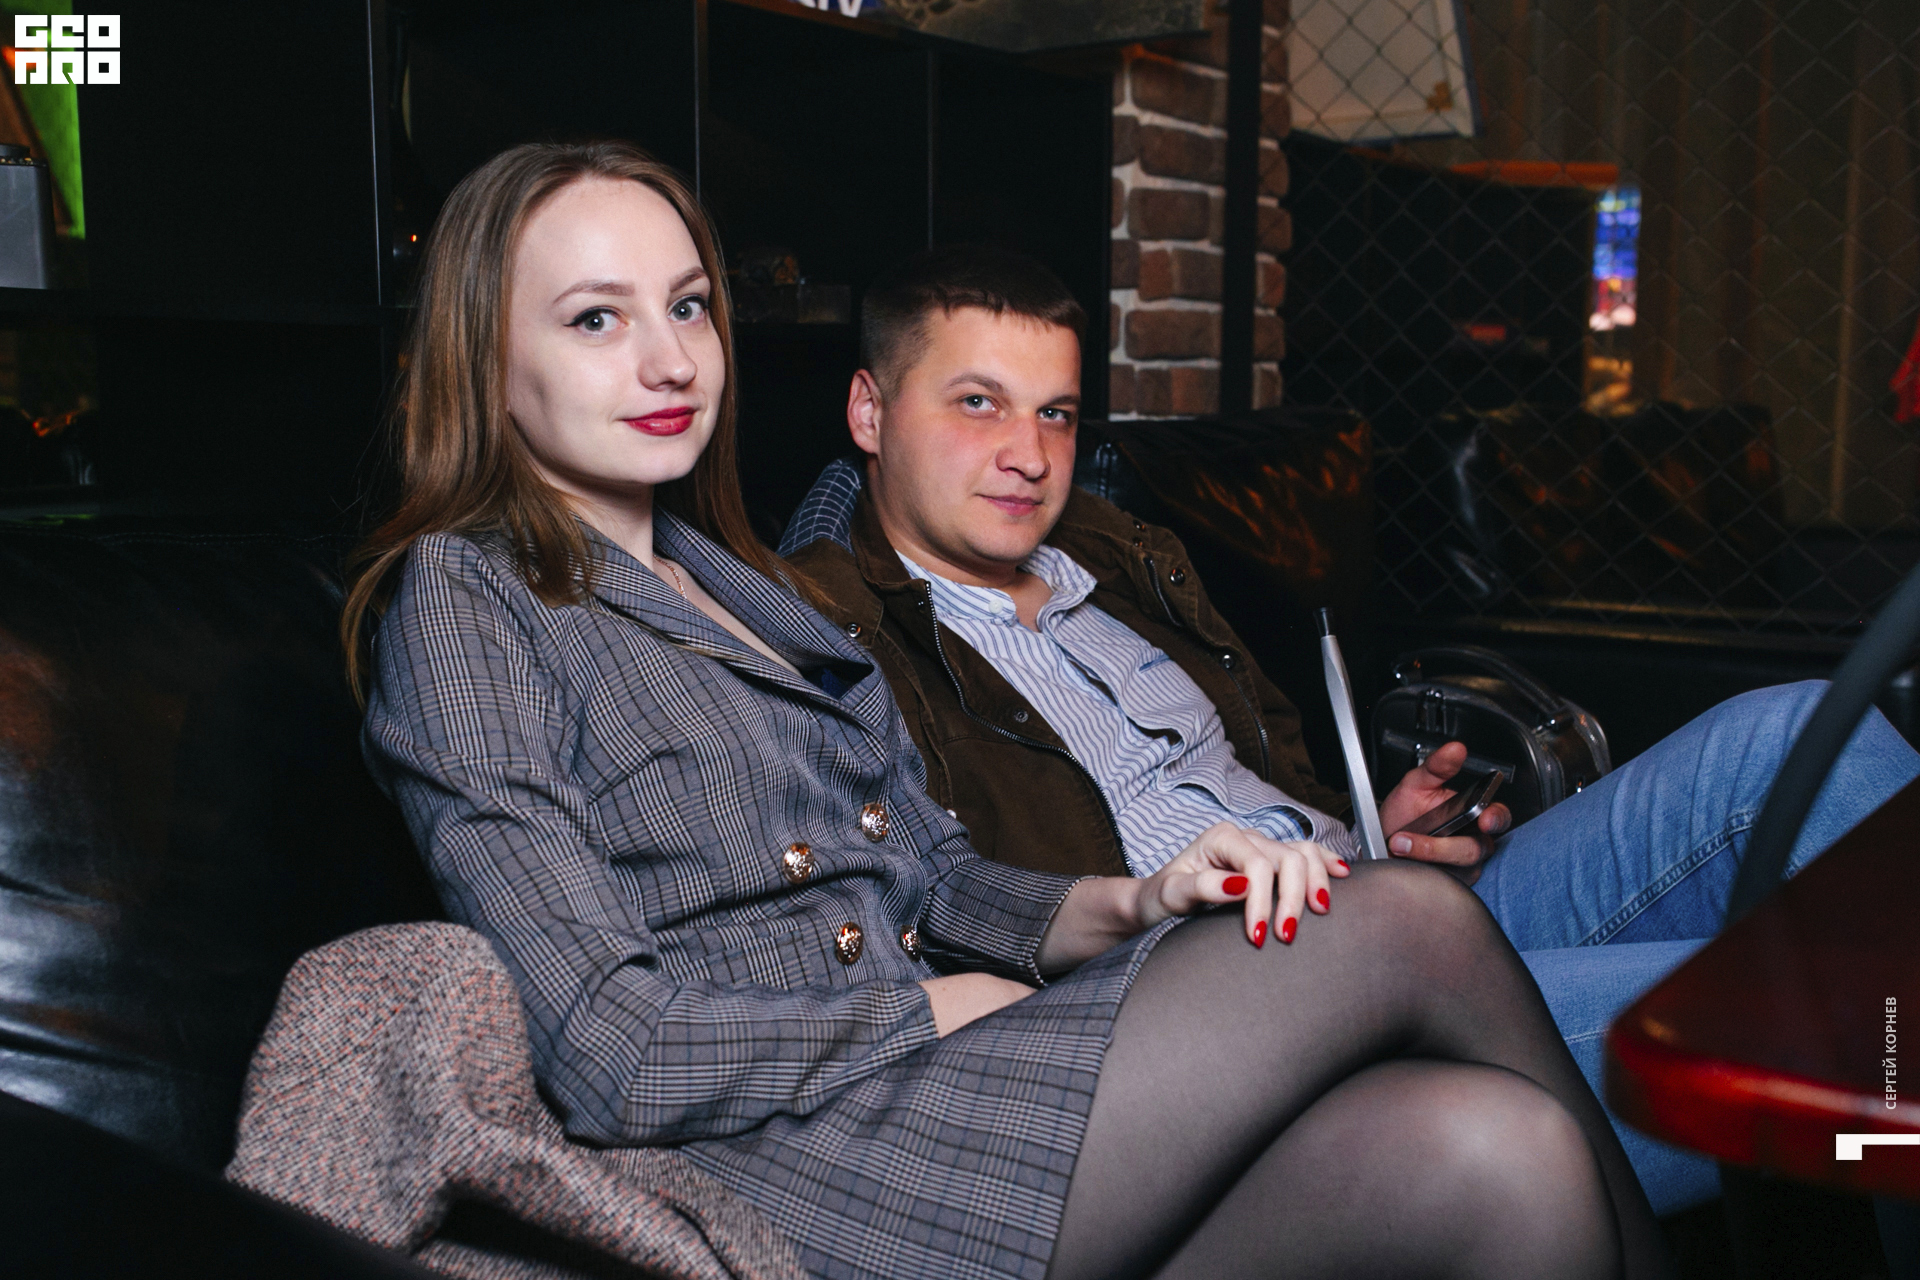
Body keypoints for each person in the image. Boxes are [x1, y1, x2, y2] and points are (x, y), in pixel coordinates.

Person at [346, 141, 1672, 1280]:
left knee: (1506, 1156)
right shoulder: (463, 598)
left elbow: (938, 879)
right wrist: (929, 1015)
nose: (667, 358)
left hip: (931, 1091)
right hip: (780, 1158)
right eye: (595, 319)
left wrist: (1139, 901)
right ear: (487, 355)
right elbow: (606, 1051)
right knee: (1400, 918)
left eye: (688, 307)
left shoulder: (742, 585)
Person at [777, 244, 1920, 1217]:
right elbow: (927, 909)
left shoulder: (1117, 561)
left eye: (1057, 412)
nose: (1030, 454)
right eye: (977, 403)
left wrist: (1368, 823)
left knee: (1797, 729)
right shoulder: (828, 635)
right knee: (1842, 1021)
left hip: (1374, 894)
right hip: (1238, 1004)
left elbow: (1257, 765)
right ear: (871, 411)